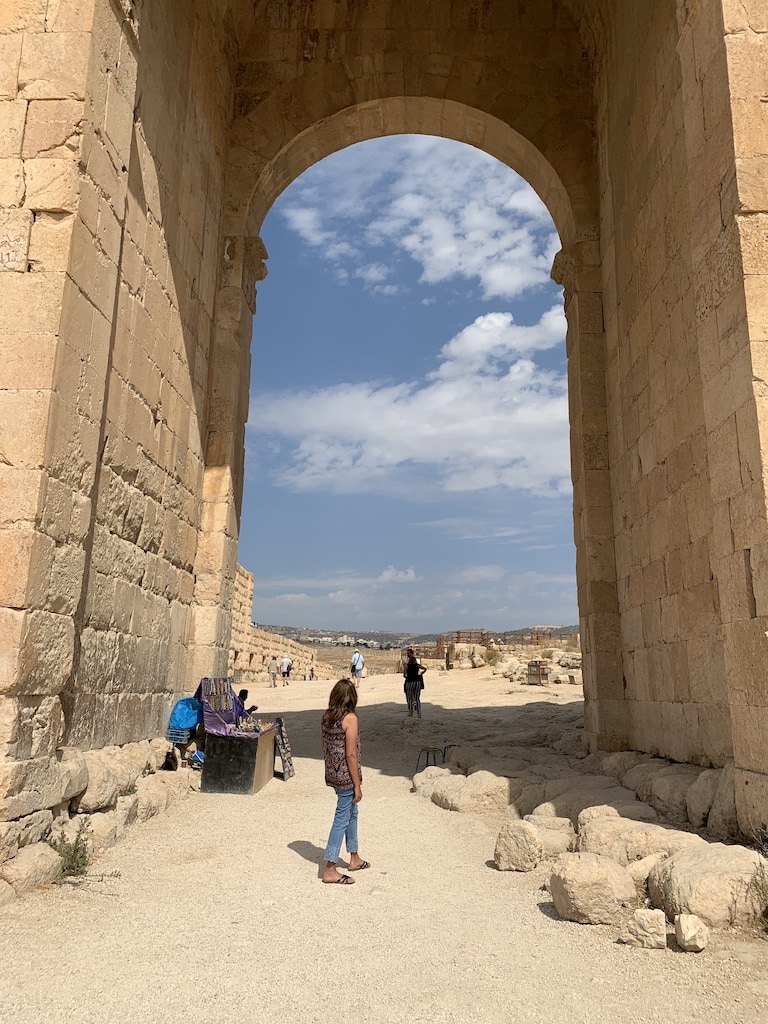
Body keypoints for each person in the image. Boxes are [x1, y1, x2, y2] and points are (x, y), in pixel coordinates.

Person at [320, 678, 369, 884]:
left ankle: (354, 857)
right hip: (347, 775)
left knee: (352, 813)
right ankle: (330, 868)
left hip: (333, 772)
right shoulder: (350, 718)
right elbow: (351, 754)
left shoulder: (326, 717)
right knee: (342, 817)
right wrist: (357, 784)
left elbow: (325, 745)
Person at [403, 648, 426, 718]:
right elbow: (425, 669)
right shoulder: (417, 665)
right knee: (417, 698)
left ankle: (411, 713)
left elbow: (404, 675)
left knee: (409, 698)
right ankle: (419, 713)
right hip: (417, 682)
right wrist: (421, 673)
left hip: (410, 682)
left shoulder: (407, 666)